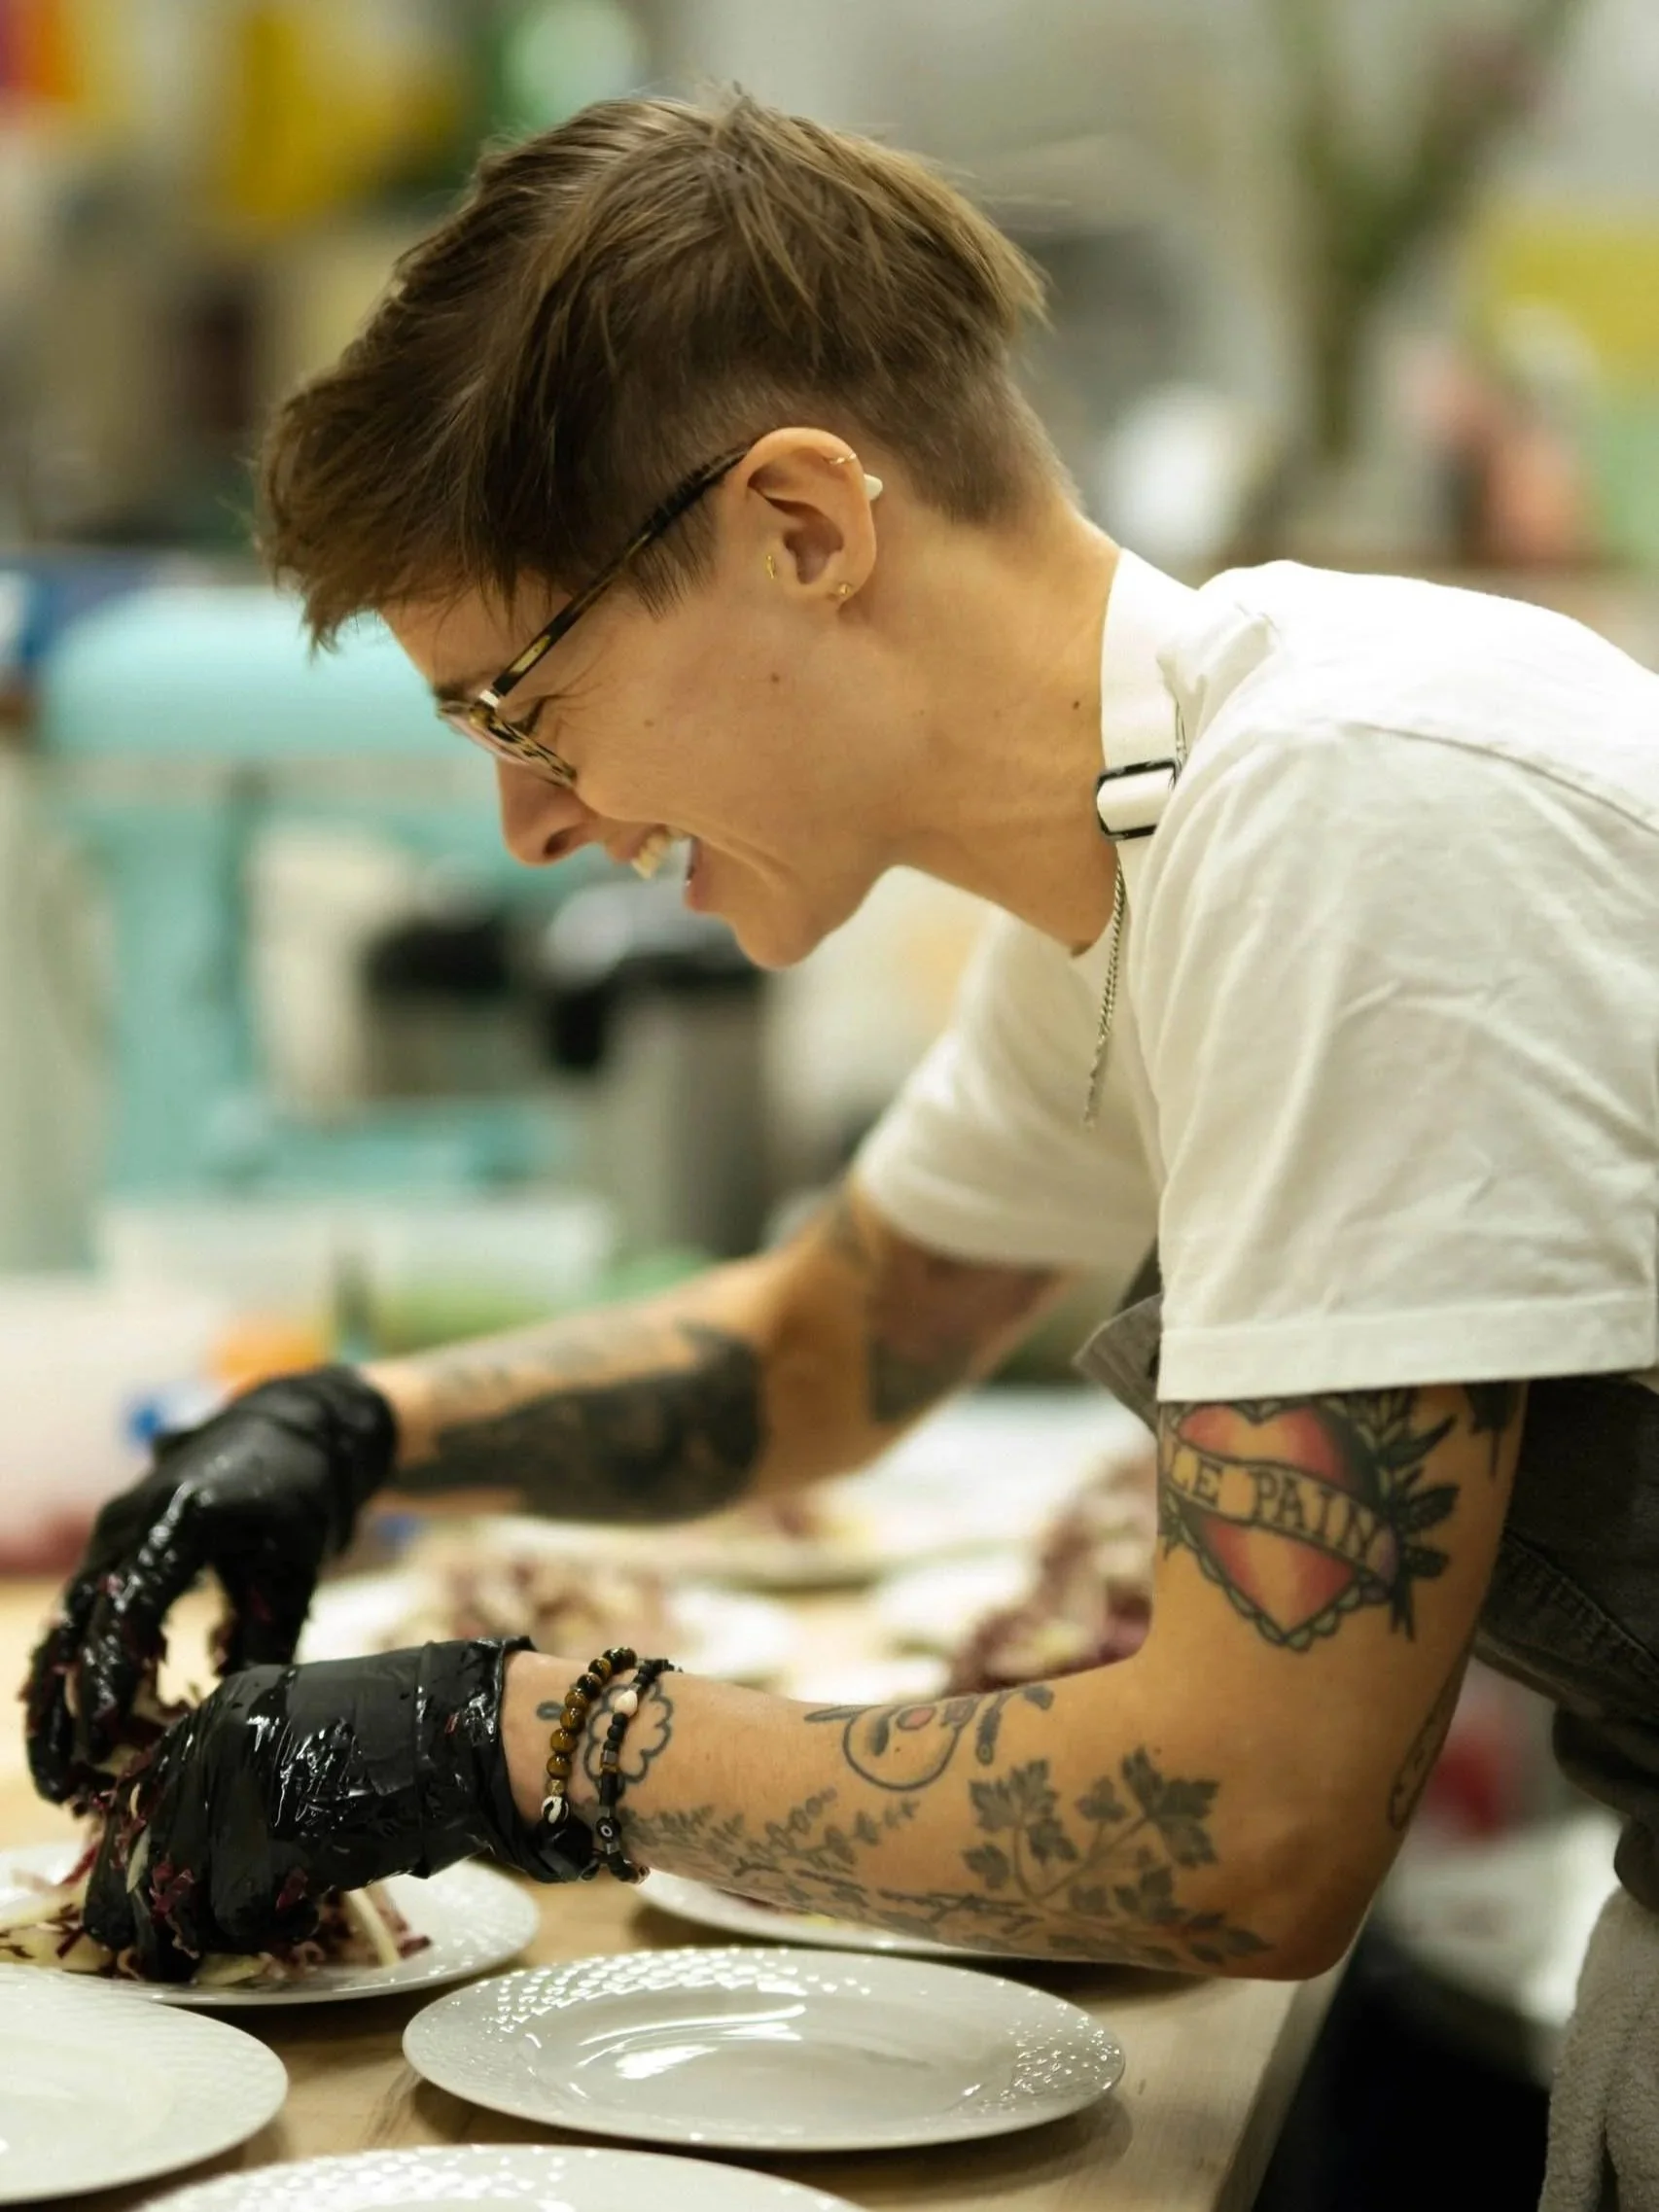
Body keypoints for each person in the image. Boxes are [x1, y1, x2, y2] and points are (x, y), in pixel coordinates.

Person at [23, 92, 1659, 2207]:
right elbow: (828, 1347)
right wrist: (334, 1428)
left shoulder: (1348, 817)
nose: (528, 825)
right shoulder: (1151, 848)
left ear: (802, 524)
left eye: (524, 704)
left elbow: (1250, 1823)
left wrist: (509, 1742)